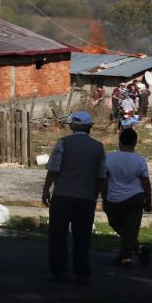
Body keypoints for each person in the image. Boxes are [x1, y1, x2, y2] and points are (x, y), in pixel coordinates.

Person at [42, 110, 106, 284]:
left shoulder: (63, 143)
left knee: (58, 235)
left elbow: (53, 169)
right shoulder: (98, 147)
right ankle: (82, 273)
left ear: (73, 126)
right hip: (86, 199)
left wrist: (46, 189)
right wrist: (95, 196)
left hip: (63, 196)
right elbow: (101, 176)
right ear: (89, 127)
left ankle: (59, 271)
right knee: (83, 236)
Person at [102, 128, 152, 267]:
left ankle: (125, 257)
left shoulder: (110, 157)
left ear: (119, 142)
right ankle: (138, 249)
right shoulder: (140, 160)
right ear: (135, 142)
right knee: (131, 228)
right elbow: (146, 183)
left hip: (114, 198)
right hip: (136, 197)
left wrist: (104, 197)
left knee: (116, 223)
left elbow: (104, 180)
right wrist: (149, 201)